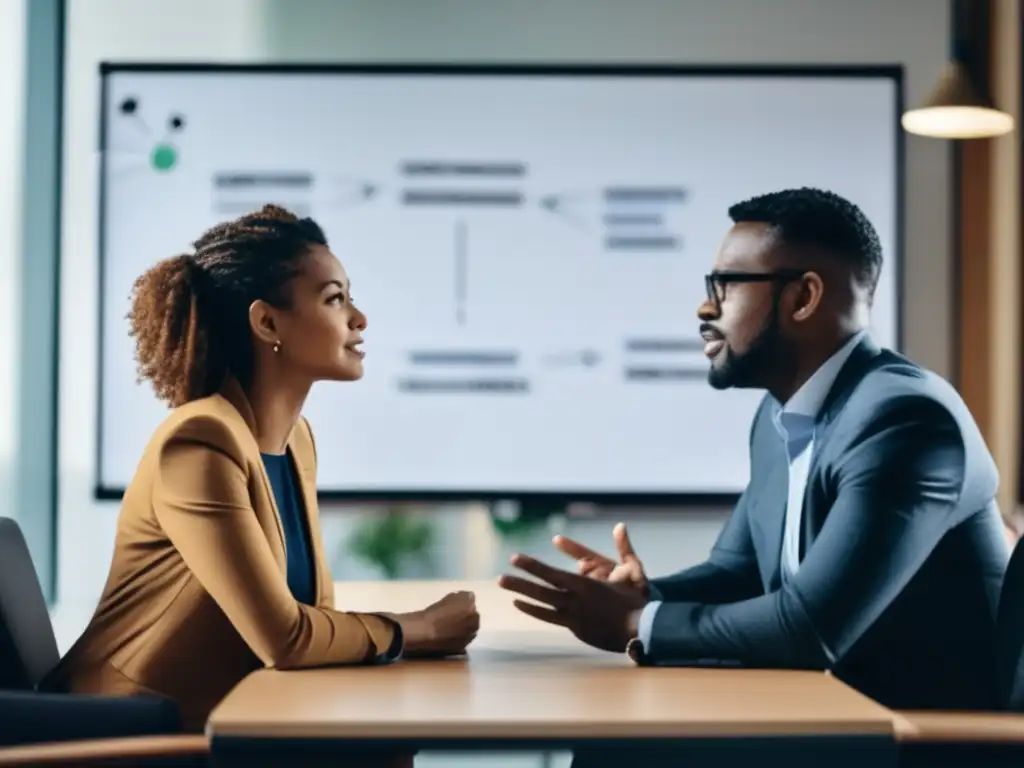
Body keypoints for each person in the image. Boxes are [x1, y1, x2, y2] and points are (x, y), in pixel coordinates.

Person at [499, 187, 1010, 712]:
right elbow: (736, 574)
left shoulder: (904, 419)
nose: (705, 306)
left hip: (922, 735)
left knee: (625, 747)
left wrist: (634, 623)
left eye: (726, 284)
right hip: (834, 711)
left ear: (803, 298)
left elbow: (811, 630)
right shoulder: (777, 416)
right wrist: (643, 597)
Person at [41, 206, 480, 749]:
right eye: (335, 298)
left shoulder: (295, 442)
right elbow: (287, 638)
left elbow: (314, 619)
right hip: (123, 734)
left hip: (229, 716)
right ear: (267, 322)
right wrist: (419, 629)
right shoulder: (198, 442)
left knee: (379, 744)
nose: (359, 318)